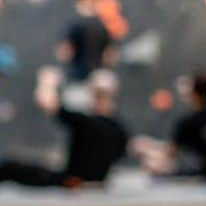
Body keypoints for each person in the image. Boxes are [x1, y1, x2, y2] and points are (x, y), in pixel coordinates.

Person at [0, 67, 129, 188]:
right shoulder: (119, 129)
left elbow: (46, 103)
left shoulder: (85, 122)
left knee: (10, 168)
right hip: (94, 183)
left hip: (72, 182)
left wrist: (47, 82)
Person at [132, 73, 206, 182]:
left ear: (193, 94)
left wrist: (147, 146)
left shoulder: (190, 123)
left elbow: (170, 152)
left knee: (155, 169)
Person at [55, 0, 116, 86]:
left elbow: (64, 52)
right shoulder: (103, 25)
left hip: (78, 77)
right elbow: (109, 55)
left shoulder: (74, 24)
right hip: (96, 77)